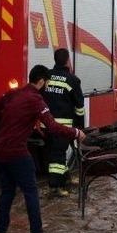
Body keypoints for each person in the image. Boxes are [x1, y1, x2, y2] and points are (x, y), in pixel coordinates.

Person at [0, 65, 86, 233]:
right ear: (42, 81)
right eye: (47, 83)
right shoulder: (36, 100)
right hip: (17, 152)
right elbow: (52, 126)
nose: (47, 87)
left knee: (7, 191)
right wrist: (75, 132)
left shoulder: (14, 93)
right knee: (31, 192)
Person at [42, 49, 84, 197]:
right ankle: (56, 187)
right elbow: (79, 107)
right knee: (58, 155)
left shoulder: (47, 76)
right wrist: (79, 128)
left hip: (46, 125)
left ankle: (66, 178)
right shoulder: (73, 80)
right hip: (63, 126)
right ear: (68, 61)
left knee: (54, 152)